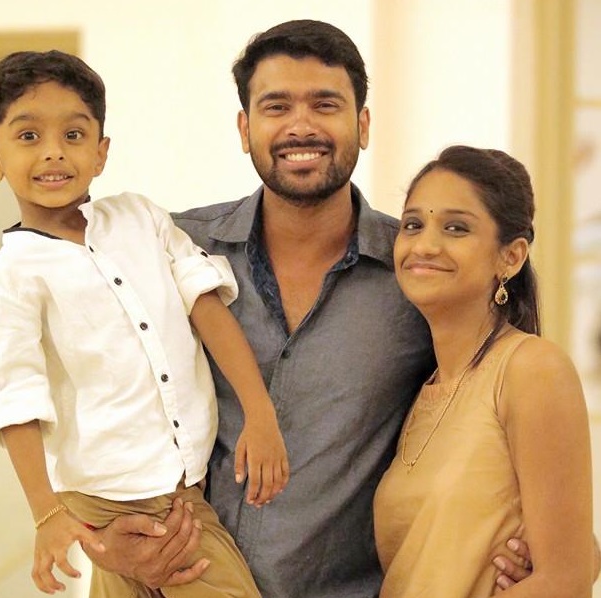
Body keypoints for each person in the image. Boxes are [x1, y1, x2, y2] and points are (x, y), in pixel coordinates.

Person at [85, 20, 543, 598]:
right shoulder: (170, 250)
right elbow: (83, 391)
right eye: (277, 106)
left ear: (363, 124)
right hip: (170, 585)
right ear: (245, 128)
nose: (301, 126)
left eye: (326, 104)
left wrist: (528, 548)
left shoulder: (417, 275)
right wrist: (96, 536)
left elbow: (500, 420)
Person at [0, 49, 291, 597]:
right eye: (28, 137)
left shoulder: (141, 218)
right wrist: (47, 515)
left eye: (73, 135)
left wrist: (260, 412)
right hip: (109, 496)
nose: (53, 153)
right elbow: (14, 403)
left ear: (101, 153)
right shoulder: (11, 279)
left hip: (180, 486)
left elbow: (206, 308)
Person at [373, 145, 594, 597]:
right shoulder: (422, 392)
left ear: (510, 258)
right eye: (413, 224)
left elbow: (565, 581)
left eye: (456, 228)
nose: (425, 245)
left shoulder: (530, 369)